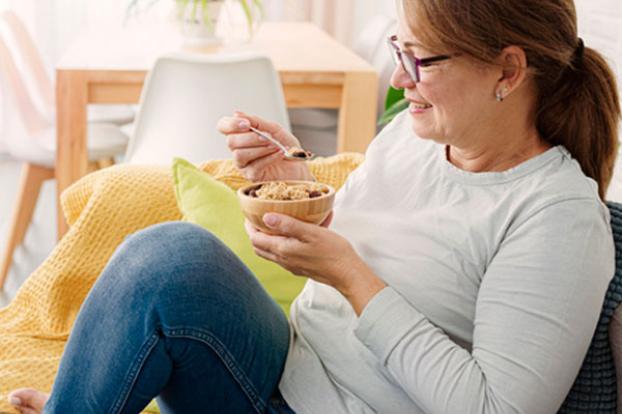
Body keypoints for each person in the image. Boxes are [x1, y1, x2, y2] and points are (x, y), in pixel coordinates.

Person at [8, 0, 621, 412]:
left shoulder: (556, 217)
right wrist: (296, 184)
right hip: (286, 363)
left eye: (419, 60)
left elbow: (497, 407)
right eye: (397, 50)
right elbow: (366, 235)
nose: (399, 79)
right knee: (169, 253)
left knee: (168, 261)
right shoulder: (414, 139)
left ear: (508, 71)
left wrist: (351, 276)